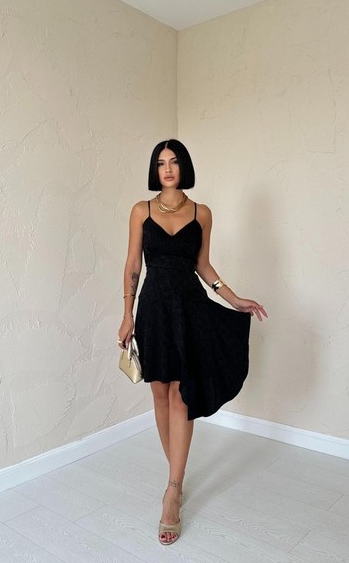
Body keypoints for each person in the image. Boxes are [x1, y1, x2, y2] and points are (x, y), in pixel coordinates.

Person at [117, 139, 267, 545]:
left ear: (184, 167)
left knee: (182, 395)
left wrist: (233, 299)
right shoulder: (141, 210)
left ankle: (172, 490)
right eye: (160, 163)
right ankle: (177, 476)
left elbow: (202, 265)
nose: (167, 168)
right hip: (153, 309)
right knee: (160, 394)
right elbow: (132, 265)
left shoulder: (202, 213)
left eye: (174, 162)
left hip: (190, 309)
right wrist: (127, 313)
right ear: (155, 170)